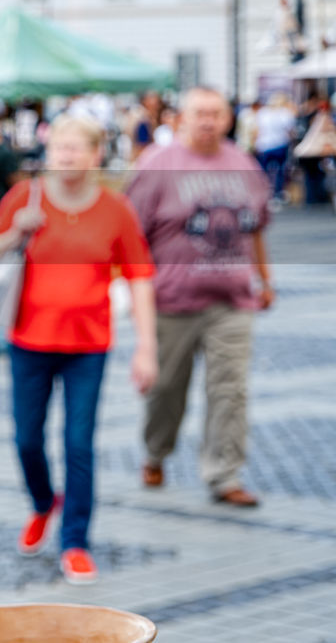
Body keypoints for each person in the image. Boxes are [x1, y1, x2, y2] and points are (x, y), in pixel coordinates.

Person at [0, 114, 157, 585]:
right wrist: (17, 230)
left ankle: (75, 541)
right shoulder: (25, 197)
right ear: (49, 152)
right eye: (61, 147)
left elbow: (140, 278)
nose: (68, 156)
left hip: (88, 346)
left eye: (78, 148)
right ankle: (43, 503)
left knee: (78, 444)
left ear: (97, 155)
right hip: (29, 341)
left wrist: (147, 348)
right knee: (26, 440)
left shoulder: (116, 209)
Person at [127, 87, 273, 508]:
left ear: (228, 119)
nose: (208, 121)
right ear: (181, 119)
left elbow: (256, 229)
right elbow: (131, 234)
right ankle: (156, 451)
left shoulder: (243, 164)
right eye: (200, 113)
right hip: (171, 300)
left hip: (232, 300)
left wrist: (266, 280)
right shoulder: (157, 165)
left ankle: (224, 474)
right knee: (167, 389)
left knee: (231, 390)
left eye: (216, 113)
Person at [254, 92, 295, 205]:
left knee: (263, 171)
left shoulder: (262, 113)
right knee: (280, 171)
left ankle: (263, 192)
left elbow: (257, 130)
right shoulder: (286, 114)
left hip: (264, 145)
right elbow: (290, 131)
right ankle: (277, 193)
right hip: (280, 144)